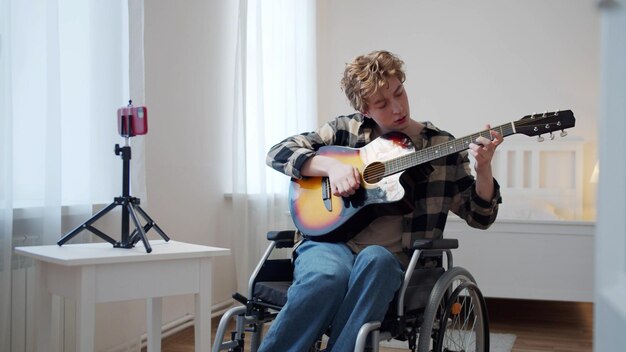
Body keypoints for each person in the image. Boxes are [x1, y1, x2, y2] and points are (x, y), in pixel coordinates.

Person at [261, 50, 502, 352]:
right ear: (364, 111)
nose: (398, 107)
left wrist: (484, 168)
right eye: (382, 104)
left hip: (395, 258)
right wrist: (332, 167)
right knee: (326, 276)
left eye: (399, 92)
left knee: (377, 261)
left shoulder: (441, 145)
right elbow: (278, 152)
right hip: (329, 245)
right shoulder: (344, 131)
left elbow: (480, 216)